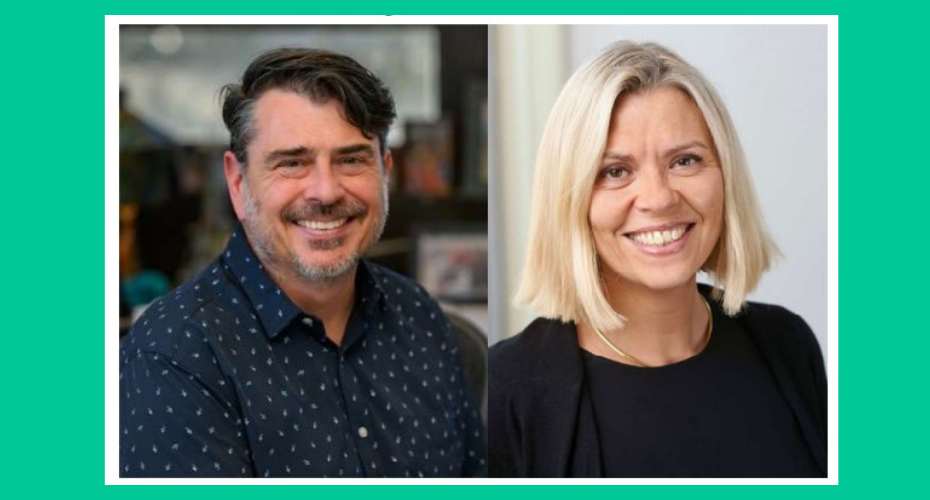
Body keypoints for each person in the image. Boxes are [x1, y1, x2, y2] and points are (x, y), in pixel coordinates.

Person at [120, 48, 486, 478]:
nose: (326, 191)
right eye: (292, 163)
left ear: (385, 173)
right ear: (237, 182)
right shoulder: (175, 353)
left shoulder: (420, 319)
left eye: (351, 160)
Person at [489, 41, 826, 477]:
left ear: (725, 176)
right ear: (569, 198)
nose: (659, 198)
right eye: (615, 171)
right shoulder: (506, 389)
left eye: (685, 161)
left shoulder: (786, 344)